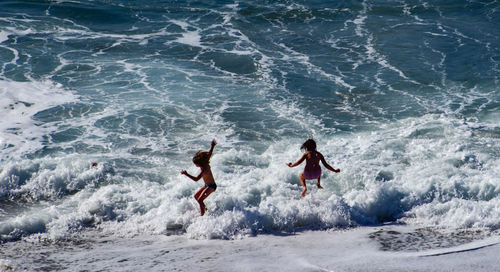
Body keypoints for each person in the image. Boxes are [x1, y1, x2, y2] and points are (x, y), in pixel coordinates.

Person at [181, 140, 217, 216]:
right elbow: (209, 154)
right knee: (196, 196)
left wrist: (186, 174)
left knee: (200, 200)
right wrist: (212, 146)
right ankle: (206, 210)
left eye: (195, 164)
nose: (195, 165)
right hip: (207, 185)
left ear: (199, 163)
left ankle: (203, 215)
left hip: (212, 186)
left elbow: (196, 179)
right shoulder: (205, 163)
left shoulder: (204, 169)